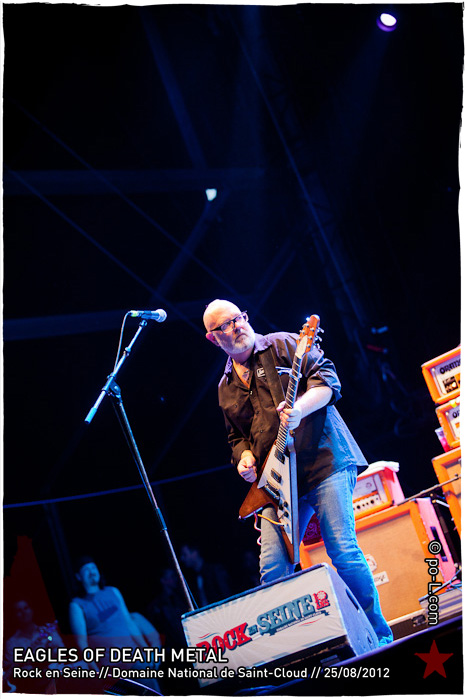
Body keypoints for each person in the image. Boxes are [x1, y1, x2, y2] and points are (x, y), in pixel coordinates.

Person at [203, 299, 393, 646]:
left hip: (323, 461)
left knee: (342, 550)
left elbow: (328, 382)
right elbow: (236, 437)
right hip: (278, 482)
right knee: (273, 570)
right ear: (213, 338)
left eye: (239, 317)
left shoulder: (284, 343)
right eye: (226, 325)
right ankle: (294, 651)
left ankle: (378, 638)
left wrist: (300, 409)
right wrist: (244, 457)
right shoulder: (225, 387)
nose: (237, 326)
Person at [69, 556, 162, 693]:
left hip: (134, 659)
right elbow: (81, 642)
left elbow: (129, 623)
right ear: (78, 576)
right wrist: (95, 670)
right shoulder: (77, 605)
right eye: (86, 569)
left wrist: (145, 651)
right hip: (111, 668)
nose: (91, 571)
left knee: (151, 692)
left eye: (93, 567)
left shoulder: (113, 591)